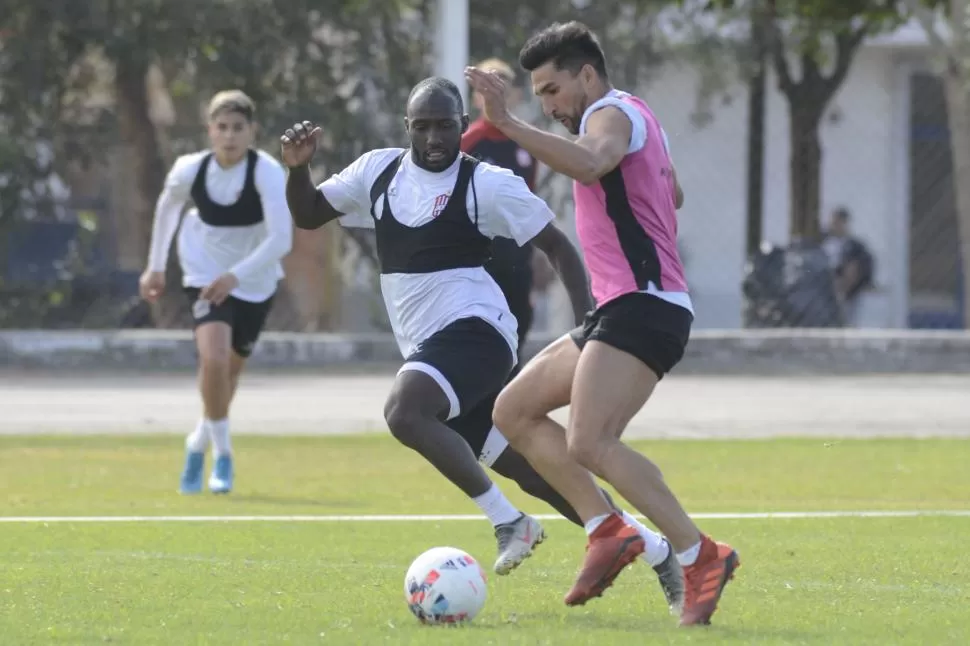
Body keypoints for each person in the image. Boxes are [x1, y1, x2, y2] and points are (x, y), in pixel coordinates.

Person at [280, 78, 683, 606]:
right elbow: (308, 213)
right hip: (430, 349)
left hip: (479, 331)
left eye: (445, 125)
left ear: (462, 126)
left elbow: (558, 248)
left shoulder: (484, 183)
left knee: (405, 412)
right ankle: (656, 551)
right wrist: (296, 167)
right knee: (538, 472)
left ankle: (509, 522)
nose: (433, 138)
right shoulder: (376, 171)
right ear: (407, 128)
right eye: (421, 126)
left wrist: (589, 327)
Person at [466, 22, 739, 626]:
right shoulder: (636, 118)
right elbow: (675, 195)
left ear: (587, 75)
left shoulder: (612, 113)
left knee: (591, 441)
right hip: (619, 306)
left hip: (646, 306)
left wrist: (507, 123)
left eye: (553, 90)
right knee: (512, 411)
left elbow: (593, 164)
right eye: (538, 95)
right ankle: (608, 527)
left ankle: (700, 553)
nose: (549, 106)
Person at [140, 90, 293, 496]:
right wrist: (155, 265)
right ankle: (223, 456)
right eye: (221, 127)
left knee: (229, 372)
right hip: (203, 270)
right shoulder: (190, 169)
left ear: (252, 132)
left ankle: (197, 442)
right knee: (213, 357)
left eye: (238, 128)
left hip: (255, 280)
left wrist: (236, 277)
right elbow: (167, 207)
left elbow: (281, 239)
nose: (229, 136)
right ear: (209, 130)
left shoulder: (267, 171)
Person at [462, 58, 541, 361]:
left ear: (515, 95)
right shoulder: (466, 144)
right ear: (476, 97)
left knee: (517, 331)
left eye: (502, 89)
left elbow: (529, 205)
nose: (494, 97)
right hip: (478, 263)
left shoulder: (528, 145)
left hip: (516, 261)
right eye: (486, 89)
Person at [822, 207, 874, 326]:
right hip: (825, 288)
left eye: (839, 223)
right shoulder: (822, 242)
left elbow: (863, 267)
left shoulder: (854, 247)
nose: (835, 226)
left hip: (847, 293)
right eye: (834, 222)